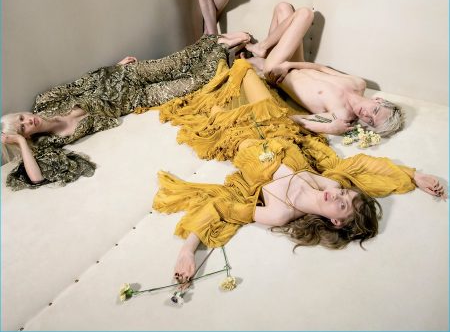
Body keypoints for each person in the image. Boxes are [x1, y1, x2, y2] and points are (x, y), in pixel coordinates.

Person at [149, 59, 446, 283]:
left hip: (235, 131)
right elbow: (362, 165)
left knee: (210, 96)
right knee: (242, 68)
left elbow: (222, 207)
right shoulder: (327, 183)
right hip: (275, 120)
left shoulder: (279, 213)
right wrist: (413, 175)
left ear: (335, 222)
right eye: (345, 193)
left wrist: (187, 251)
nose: (338, 195)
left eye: (342, 205)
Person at [1, 32, 250, 190]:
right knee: (193, 82)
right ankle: (223, 49)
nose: (28, 121)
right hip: (133, 100)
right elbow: (37, 178)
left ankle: (219, 40)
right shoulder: (47, 144)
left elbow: (81, 83)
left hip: (124, 77)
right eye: (23, 128)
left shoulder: (45, 101)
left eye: (22, 118)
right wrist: (20, 143)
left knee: (176, 62)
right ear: (26, 136)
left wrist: (116, 67)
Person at [243, 2, 404, 137]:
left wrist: (329, 128)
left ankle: (263, 49)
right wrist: (289, 65)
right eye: (375, 110)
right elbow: (321, 68)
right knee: (283, 7)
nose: (367, 115)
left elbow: (295, 119)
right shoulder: (358, 83)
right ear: (378, 100)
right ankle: (264, 51)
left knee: (305, 13)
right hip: (293, 64)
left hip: (277, 73)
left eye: (371, 122)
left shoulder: (341, 115)